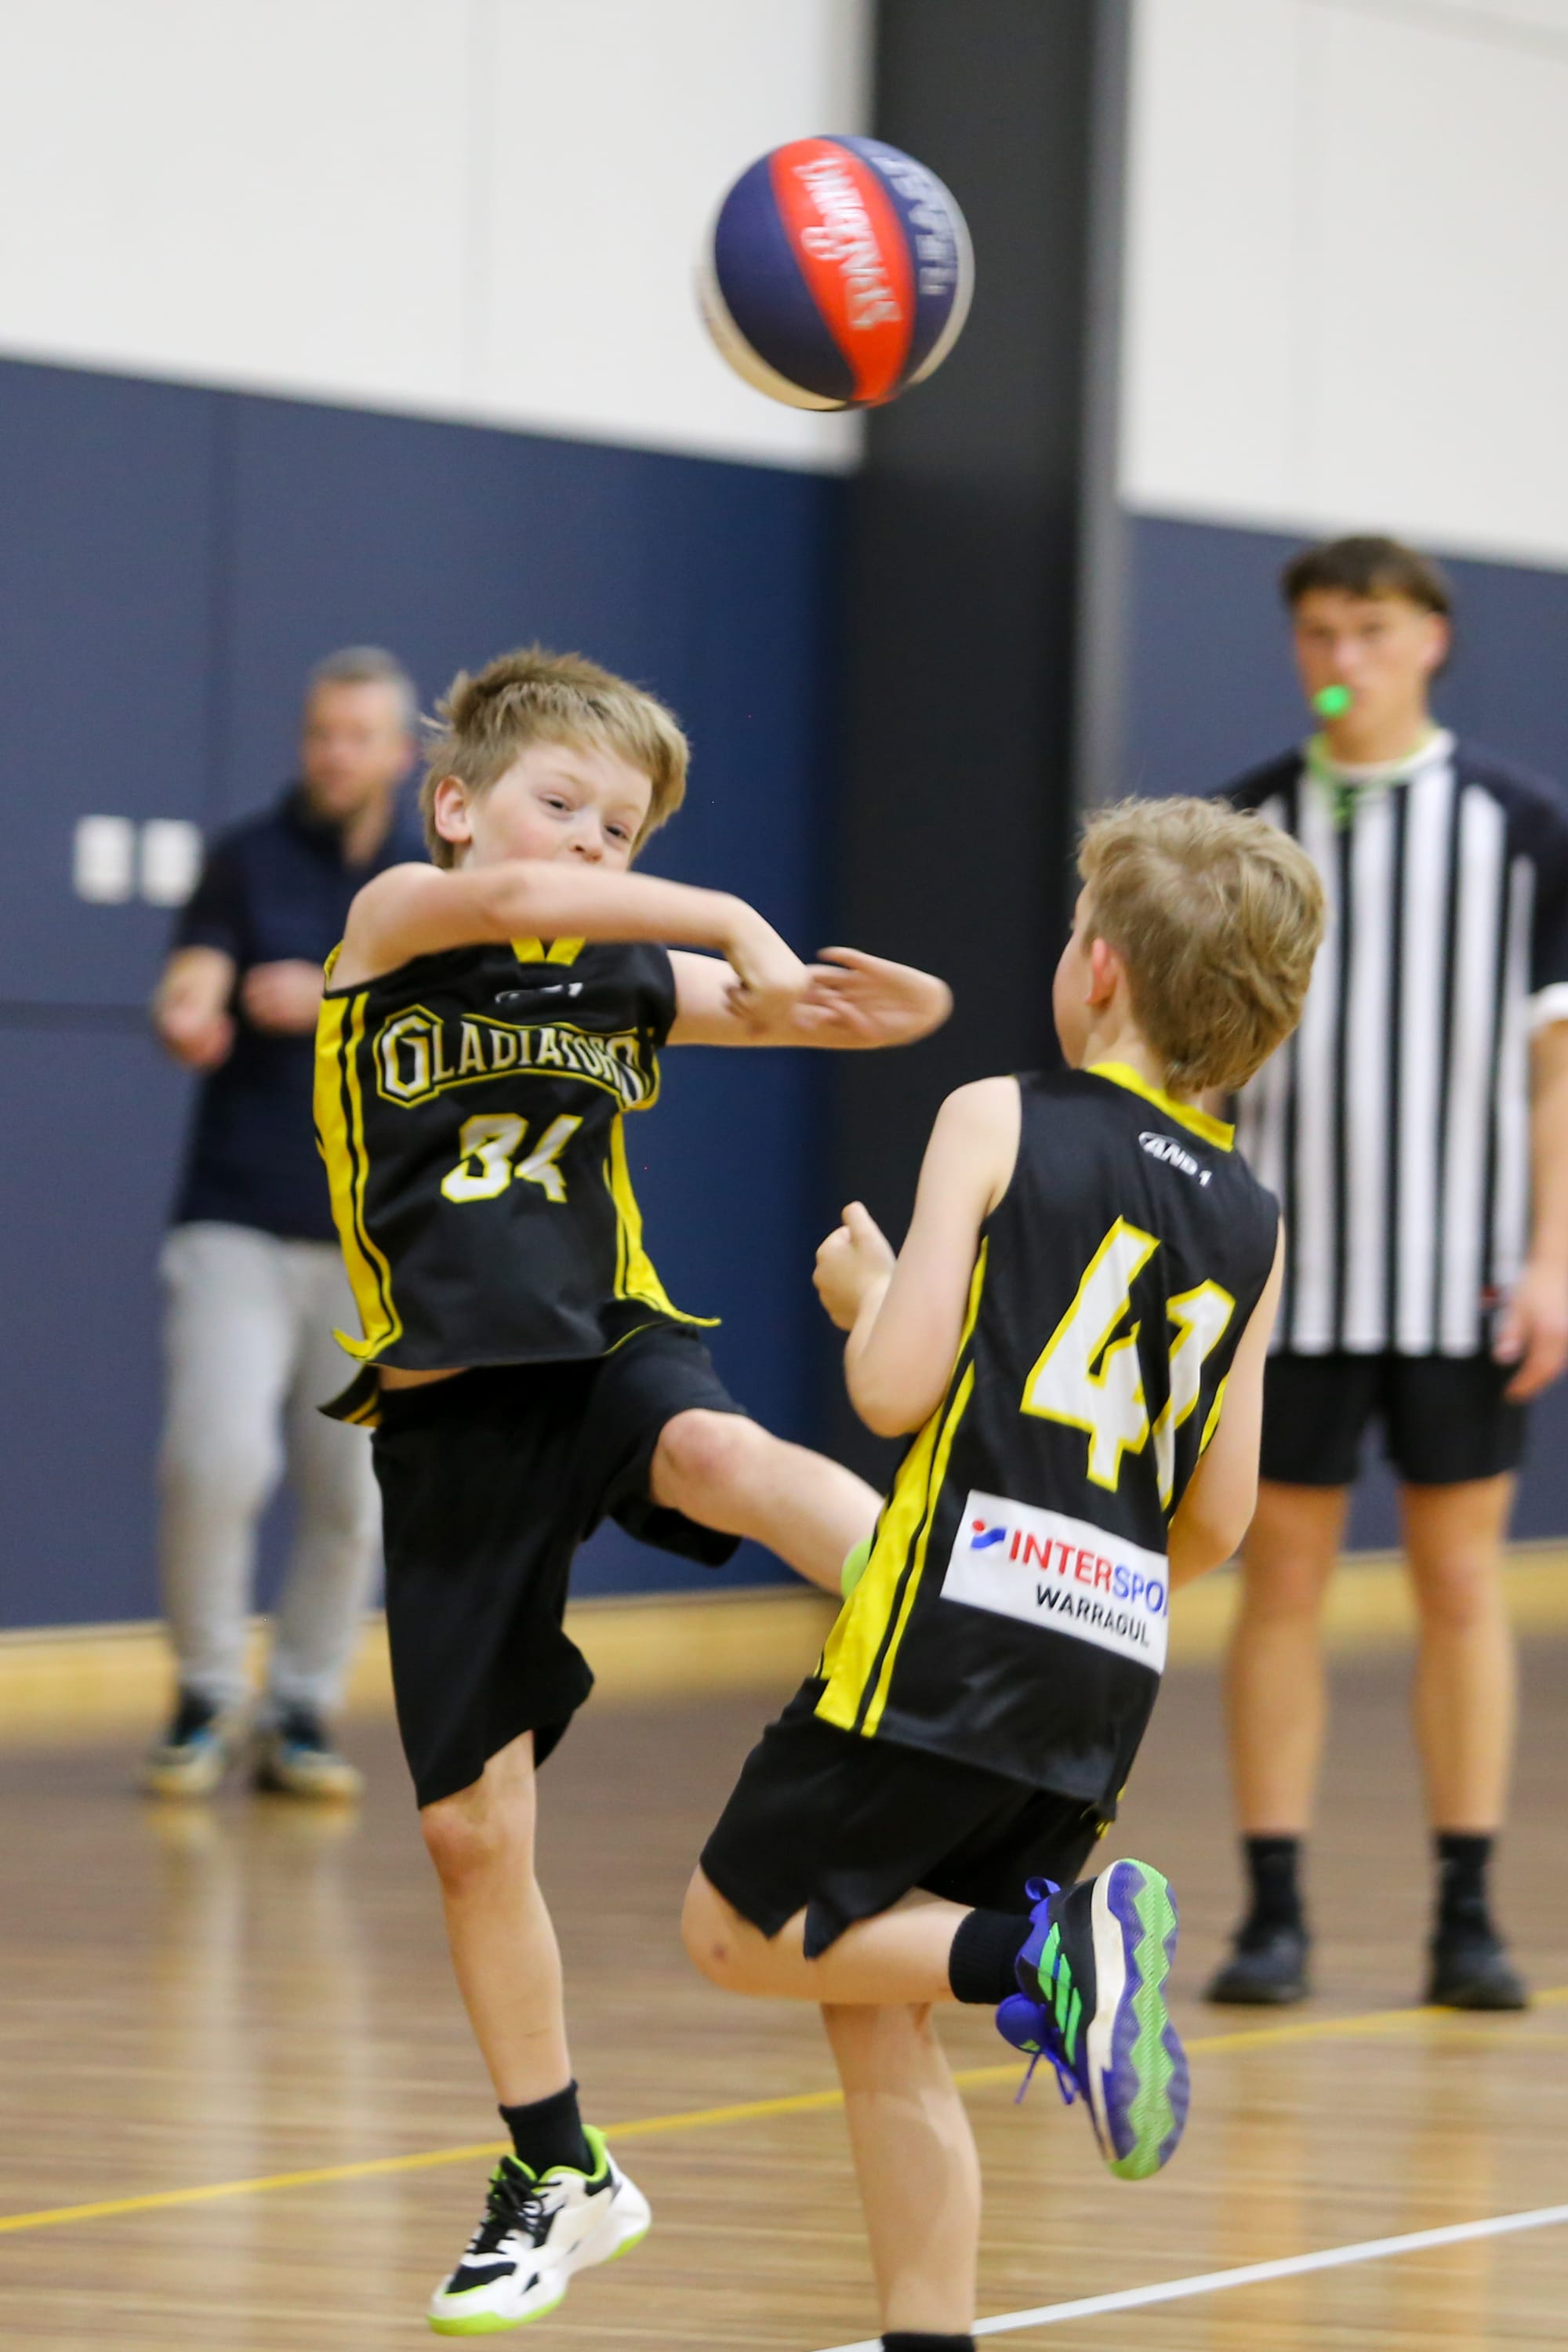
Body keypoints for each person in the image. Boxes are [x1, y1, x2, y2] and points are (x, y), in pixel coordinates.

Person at [314, 646, 951, 2336]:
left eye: (629, 830)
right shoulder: (388, 929)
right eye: (566, 810)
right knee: (469, 1833)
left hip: (601, 1351)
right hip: (450, 1422)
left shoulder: (617, 980)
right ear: (456, 806)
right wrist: (725, 910)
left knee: (724, 1454)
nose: (593, 855)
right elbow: (537, 901)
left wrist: (867, 1010)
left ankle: (968, 1616)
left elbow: (793, 1009)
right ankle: (557, 2171)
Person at [683, 798, 1323, 2352]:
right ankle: (931, 2334)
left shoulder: (997, 1115)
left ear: (1096, 969)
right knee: (866, 2003)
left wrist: (870, 1294)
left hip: (943, 1644)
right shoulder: (1253, 1216)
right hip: (1103, 1667)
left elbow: (894, 1394)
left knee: (734, 1929)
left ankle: (1043, 1950)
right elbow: (1216, 1522)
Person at [1207, 535, 1568, 2012]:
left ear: (1431, 640)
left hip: (1465, 1275)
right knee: (1279, 1580)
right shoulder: (1242, 823)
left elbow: (1556, 1067)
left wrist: (1553, 1259)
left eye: (1369, 627)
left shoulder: (1521, 824)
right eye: (1316, 629)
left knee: (1458, 1581)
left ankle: (1465, 1911)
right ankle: (1273, 1910)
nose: (1339, 655)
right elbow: (1198, 1074)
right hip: (1291, 1283)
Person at [145, 647, 425, 1801]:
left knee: (353, 1493)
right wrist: (190, 1012)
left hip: (372, 1237)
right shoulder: (243, 861)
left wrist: (334, 995)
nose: (336, 753)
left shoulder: (428, 887)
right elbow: (194, 980)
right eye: (321, 733)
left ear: (405, 753)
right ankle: (209, 1691)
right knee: (214, 1458)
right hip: (238, 1222)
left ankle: (302, 1706)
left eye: (359, 735)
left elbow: (451, 1022)